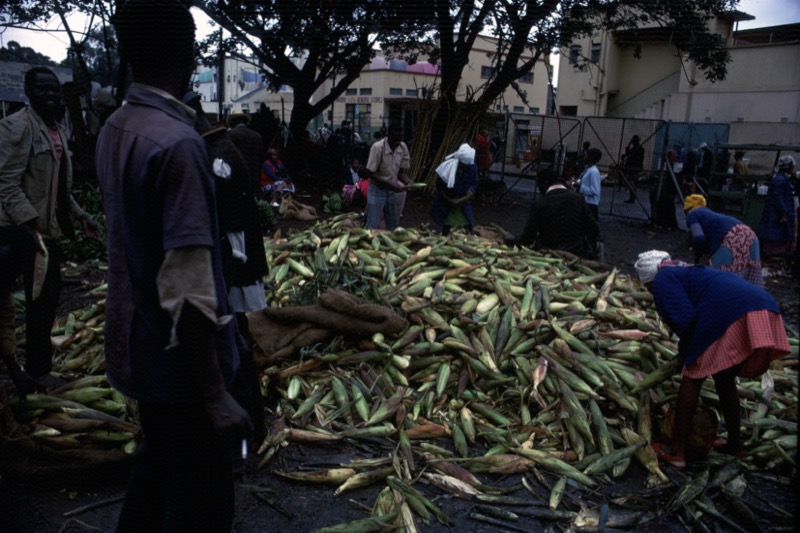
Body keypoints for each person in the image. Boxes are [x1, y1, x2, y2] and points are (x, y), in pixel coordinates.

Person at [96, 2, 252, 530]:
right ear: (188, 52)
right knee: (201, 503)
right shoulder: (178, 144)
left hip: (136, 345)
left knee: (157, 473)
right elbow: (186, 282)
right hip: (181, 368)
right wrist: (214, 394)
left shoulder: (118, 126)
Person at [634, 252, 789, 468]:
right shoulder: (685, 271)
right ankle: (735, 446)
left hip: (735, 313)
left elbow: (686, 320)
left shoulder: (662, 278)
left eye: (647, 288)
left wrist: (685, 355)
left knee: (692, 377)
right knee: (724, 379)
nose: (650, 292)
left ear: (648, 279)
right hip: (763, 306)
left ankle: (676, 451)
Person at [0, 66, 100, 391]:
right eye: (42, 90)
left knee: (45, 300)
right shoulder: (16, 127)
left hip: (43, 233)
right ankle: (28, 372)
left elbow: (58, 188)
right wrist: (30, 226)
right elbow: (6, 183)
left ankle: (36, 369)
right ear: (28, 92)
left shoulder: (55, 127)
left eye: (54, 90)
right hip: (18, 233)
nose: (50, 95)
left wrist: (83, 215)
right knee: (24, 303)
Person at [186, 93, 268, 441]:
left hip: (233, 250)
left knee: (233, 331)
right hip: (236, 246)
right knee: (236, 327)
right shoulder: (224, 146)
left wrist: (225, 267)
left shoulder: (219, 155)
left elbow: (227, 213)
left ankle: (247, 421)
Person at [514, 168, 600, 258]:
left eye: (539, 185)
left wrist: (515, 241)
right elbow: (593, 228)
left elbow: (529, 235)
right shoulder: (578, 199)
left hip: (548, 255)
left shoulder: (540, 203)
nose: (539, 189)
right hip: (575, 254)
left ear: (545, 183)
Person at [683, 194, 764, 287]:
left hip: (734, 237)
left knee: (721, 281)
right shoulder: (710, 215)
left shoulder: (692, 215)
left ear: (687, 210)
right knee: (752, 279)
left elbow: (698, 238)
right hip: (750, 233)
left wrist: (697, 260)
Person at [365, 123, 411, 230]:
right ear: (388, 135)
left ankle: (391, 245)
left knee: (392, 225)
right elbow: (370, 172)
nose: (397, 143)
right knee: (372, 224)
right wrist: (389, 183)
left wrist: (409, 182)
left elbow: (400, 172)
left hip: (392, 191)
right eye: (395, 140)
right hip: (377, 190)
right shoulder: (377, 148)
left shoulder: (402, 147)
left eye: (399, 140)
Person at [430, 143, 478, 236]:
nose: (469, 167)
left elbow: (474, 182)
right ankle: (444, 237)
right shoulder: (448, 168)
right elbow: (440, 187)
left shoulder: (471, 166)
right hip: (448, 201)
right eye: (466, 166)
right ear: (460, 163)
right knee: (447, 223)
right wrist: (449, 199)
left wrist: (471, 190)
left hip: (463, 201)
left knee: (468, 223)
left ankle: (470, 238)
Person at [758, 155, 797, 257]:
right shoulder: (780, 180)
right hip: (776, 213)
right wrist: (784, 212)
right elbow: (778, 198)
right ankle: (771, 255)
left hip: (779, 212)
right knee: (775, 235)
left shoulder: (782, 179)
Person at [226, 111, 264, 191]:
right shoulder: (257, 136)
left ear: (233, 122)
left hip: (237, 180)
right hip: (254, 178)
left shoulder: (230, 135)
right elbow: (261, 159)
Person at [578, 148, 603, 222]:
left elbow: (595, 191)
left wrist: (580, 187)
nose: (585, 157)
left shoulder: (593, 172)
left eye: (586, 155)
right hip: (586, 203)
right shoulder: (589, 169)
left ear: (591, 157)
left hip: (590, 205)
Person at [622, 135, 644, 203]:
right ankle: (632, 197)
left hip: (634, 168)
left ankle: (632, 197)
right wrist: (628, 145)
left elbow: (630, 155)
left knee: (632, 183)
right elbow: (628, 153)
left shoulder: (639, 149)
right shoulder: (635, 148)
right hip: (633, 168)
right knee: (631, 183)